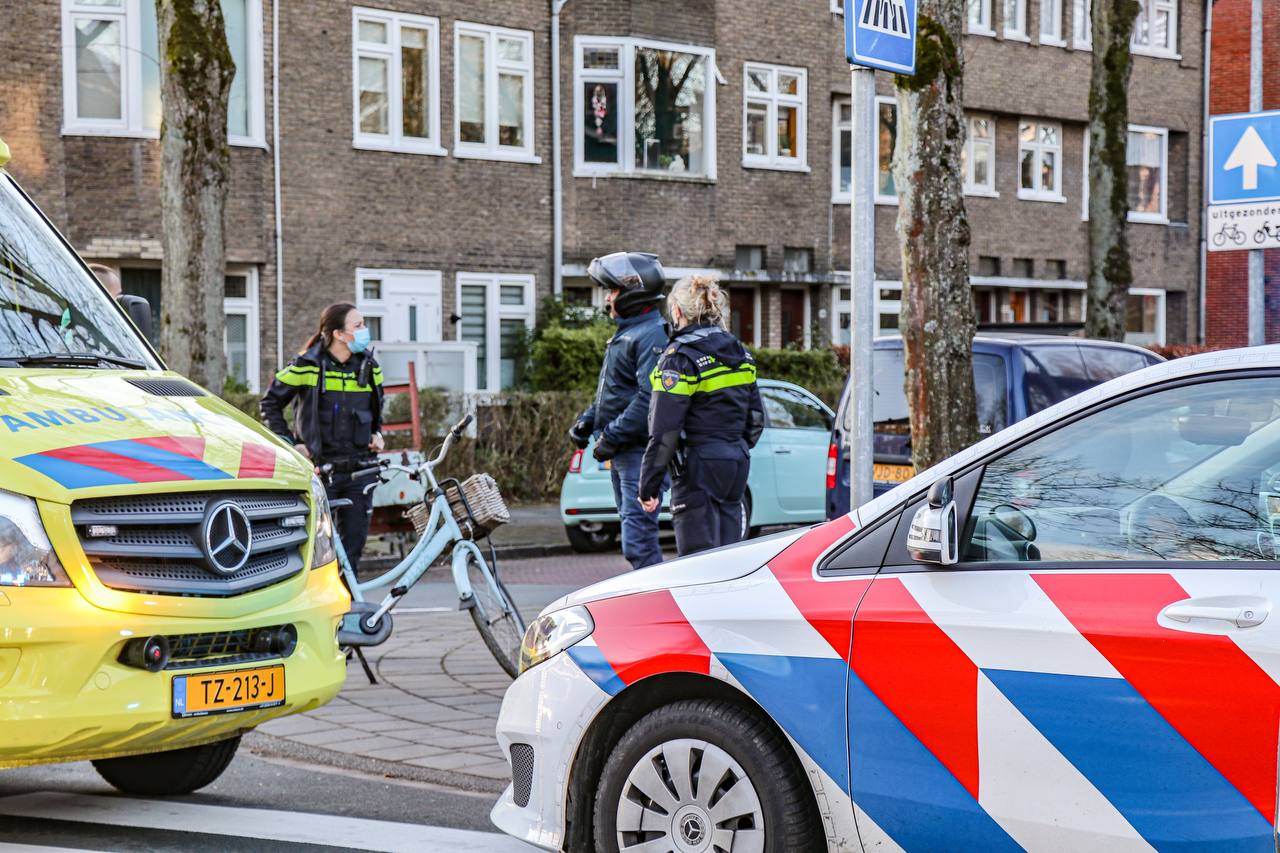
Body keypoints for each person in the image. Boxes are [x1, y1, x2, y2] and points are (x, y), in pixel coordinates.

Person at [639, 275, 763, 556]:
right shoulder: (741, 354)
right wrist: (733, 448)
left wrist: (649, 484)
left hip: (697, 465)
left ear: (678, 311)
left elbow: (664, 430)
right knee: (729, 557)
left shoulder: (679, 358)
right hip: (735, 463)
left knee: (697, 563)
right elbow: (755, 420)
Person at [261, 303, 385, 570]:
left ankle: (347, 608)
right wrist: (291, 444)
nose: (365, 331)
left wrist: (378, 434)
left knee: (352, 549)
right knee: (316, 551)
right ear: (339, 334)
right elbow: (270, 403)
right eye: (359, 326)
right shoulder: (307, 365)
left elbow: (376, 409)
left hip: (360, 472)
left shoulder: (370, 367)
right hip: (320, 473)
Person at [568, 252, 670, 570]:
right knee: (633, 539)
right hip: (625, 453)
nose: (608, 300)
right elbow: (616, 392)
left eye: (612, 292)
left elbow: (649, 397)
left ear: (631, 293)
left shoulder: (651, 334)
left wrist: (612, 434)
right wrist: (588, 420)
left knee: (639, 541)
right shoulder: (628, 333)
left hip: (639, 453)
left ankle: (658, 609)